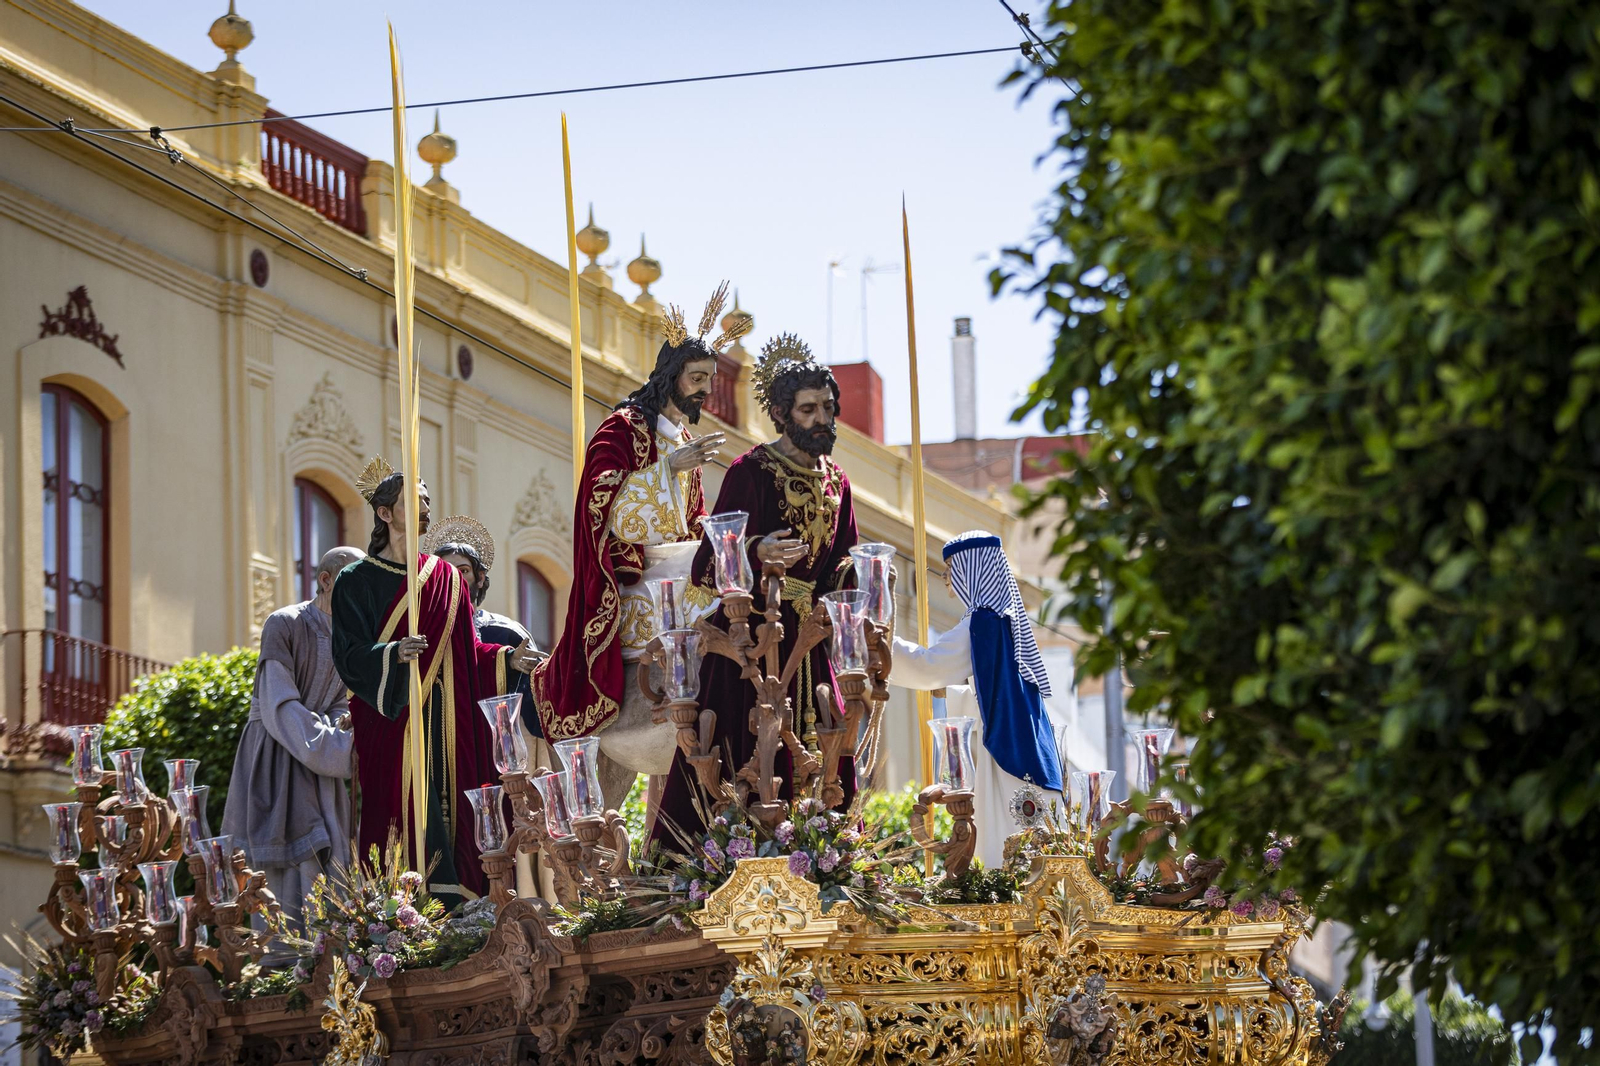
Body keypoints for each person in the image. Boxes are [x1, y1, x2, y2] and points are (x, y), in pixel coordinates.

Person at [530, 283, 746, 810]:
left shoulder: (679, 441)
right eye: (697, 380)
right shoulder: (623, 429)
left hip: (670, 566)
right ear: (671, 377)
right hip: (633, 576)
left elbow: (690, 521)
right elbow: (597, 505)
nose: (704, 392)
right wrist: (665, 471)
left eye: (709, 383)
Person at [650, 332, 859, 850]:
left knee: (830, 749)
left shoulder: (839, 482)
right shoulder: (753, 470)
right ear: (784, 413)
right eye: (809, 409)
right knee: (742, 749)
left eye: (828, 408)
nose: (822, 419)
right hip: (754, 639)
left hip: (812, 638)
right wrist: (756, 550)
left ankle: (821, 860)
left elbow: (843, 567)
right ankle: (713, 868)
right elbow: (707, 562)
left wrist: (864, 588)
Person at [331, 458, 541, 905]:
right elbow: (347, 655)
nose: (425, 507)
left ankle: (453, 903)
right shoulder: (356, 580)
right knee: (395, 812)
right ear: (385, 513)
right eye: (414, 500)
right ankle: (395, 911)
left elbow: (468, 651)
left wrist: (509, 659)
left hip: (445, 721)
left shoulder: (446, 578)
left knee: (449, 814)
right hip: (391, 720)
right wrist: (390, 654)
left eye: (427, 499)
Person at [889, 531, 1065, 870]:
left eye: (950, 570)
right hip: (1032, 752)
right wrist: (951, 692)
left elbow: (930, 667)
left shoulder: (983, 621)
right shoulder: (1006, 620)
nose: (945, 581)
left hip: (1008, 756)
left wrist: (880, 642)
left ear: (973, 570)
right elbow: (999, 693)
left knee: (1007, 857)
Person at [221, 545, 364, 934]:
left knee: (328, 852)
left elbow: (337, 699)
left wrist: (343, 725)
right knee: (284, 860)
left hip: (318, 758)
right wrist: (337, 750)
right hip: (278, 751)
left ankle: (321, 951)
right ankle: (283, 957)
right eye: (354, 583)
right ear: (326, 580)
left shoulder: (347, 639)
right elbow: (278, 703)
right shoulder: (283, 623)